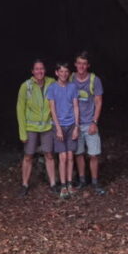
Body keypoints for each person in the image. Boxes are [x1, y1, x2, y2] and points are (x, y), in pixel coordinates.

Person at [16, 59, 58, 197]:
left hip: (47, 126)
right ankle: (24, 185)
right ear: (32, 71)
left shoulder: (51, 82)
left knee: (49, 155)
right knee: (28, 156)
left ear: (45, 70)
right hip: (31, 127)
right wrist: (22, 132)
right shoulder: (25, 86)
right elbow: (20, 109)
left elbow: (65, 82)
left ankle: (53, 184)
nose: (39, 71)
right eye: (37, 69)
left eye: (42, 68)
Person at [72, 51, 105, 194]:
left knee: (93, 154)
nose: (81, 66)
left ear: (88, 65)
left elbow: (98, 102)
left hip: (89, 123)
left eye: (84, 64)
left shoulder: (94, 80)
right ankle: (82, 180)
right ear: (75, 64)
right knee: (78, 153)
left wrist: (94, 122)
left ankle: (95, 182)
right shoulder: (71, 78)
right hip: (76, 124)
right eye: (79, 63)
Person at [46, 62, 80, 199]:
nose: (64, 74)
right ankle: (63, 185)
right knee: (63, 157)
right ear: (56, 73)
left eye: (66, 72)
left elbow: (76, 106)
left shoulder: (72, 87)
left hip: (71, 124)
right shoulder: (52, 88)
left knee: (71, 156)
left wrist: (77, 126)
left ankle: (70, 183)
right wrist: (58, 128)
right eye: (61, 71)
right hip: (59, 125)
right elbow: (52, 109)